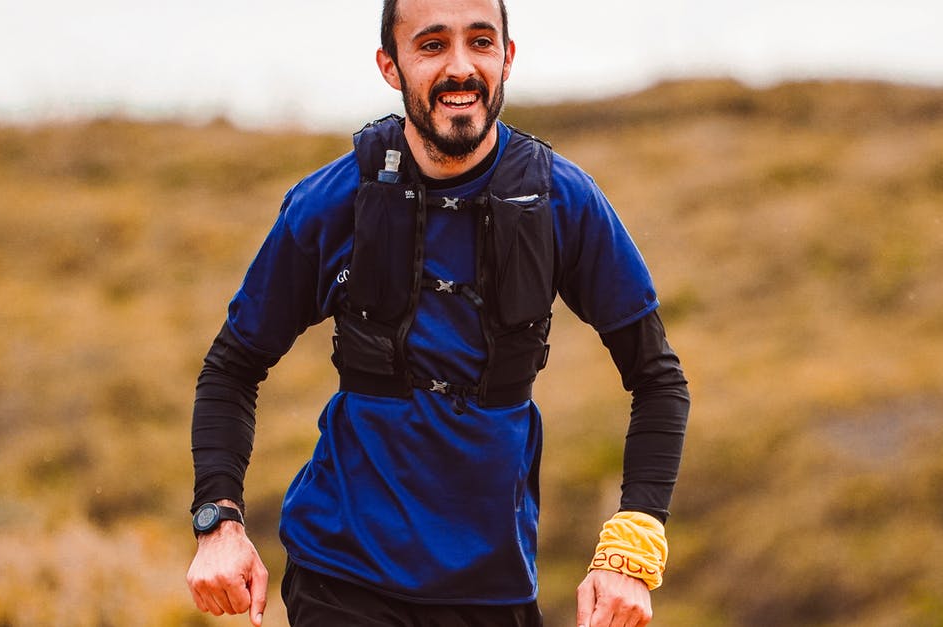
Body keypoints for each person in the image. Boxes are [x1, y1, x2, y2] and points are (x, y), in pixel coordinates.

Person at [185, 0, 690, 625]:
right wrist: (219, 520)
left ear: (506, 59)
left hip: (494, 586)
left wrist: (633, 550)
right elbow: (232, 368)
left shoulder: (564, 202)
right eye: (431, 46)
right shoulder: (332, 203)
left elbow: (658, 379)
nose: (460, 67)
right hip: (341, 577)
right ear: (390, 67)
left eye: (480, 42)